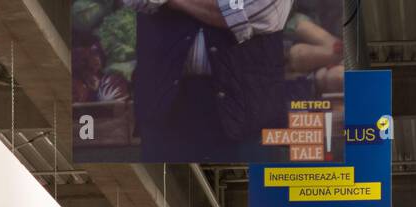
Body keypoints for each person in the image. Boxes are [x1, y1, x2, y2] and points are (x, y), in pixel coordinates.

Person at [124, 0, 297, 165]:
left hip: (246, 110)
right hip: (166, 106)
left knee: (249, 192)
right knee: (164, 193)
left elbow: (259, 11)